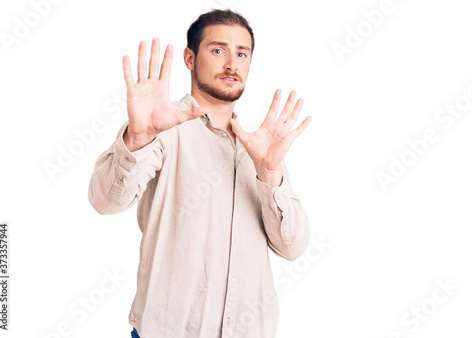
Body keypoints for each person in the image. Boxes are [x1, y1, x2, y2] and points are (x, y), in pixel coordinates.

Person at [88, 9, 312, 338]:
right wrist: (138, 138)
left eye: (242, 53)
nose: (232, 64)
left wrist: (270, 171)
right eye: (218, 50)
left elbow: (292, 248)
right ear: (190, 58)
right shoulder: (160, 126)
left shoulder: (261, 149)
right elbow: (105, 201)